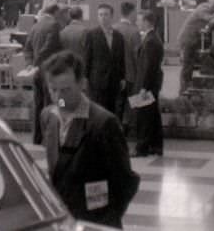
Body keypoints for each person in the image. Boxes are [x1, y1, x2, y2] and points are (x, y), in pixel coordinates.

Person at [40, 51, 140, 228]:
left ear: (82, 84)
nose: (58, 98)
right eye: (52, 89)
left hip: (95, 222)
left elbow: (125, 181)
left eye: (65, 90)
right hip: (64, 220)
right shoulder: (48, 116)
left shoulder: (104, 123)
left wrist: (105, 218)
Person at [22, 3, 63, 144]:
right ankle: (49, 137)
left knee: (38, 103)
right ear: (55, 12)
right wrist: (38, 62)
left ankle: (37, 137)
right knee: (50, 103)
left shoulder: (35, 26)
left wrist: (30, 64)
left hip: (36, 71)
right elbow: (49, 47)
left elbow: (27, 48)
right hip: (48, 69)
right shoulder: (54, 25)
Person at [176, 0, 214, 92]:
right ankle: (183, 91)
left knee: (190, 65)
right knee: (187, 65)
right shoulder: (202, 8)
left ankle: (188, 87)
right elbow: (210, 19)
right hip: (188, 39)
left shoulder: (209, 9)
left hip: (194, 39)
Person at [84, 4, 126, 114]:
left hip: (114, 80)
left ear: (111, 16)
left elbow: (121, 59)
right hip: (97, 80)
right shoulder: (91, 35)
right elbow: (87, 58)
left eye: (106, 14)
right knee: (98, 110)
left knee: (112, 110)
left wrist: (122, 77)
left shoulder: (119, 37)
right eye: (100, 15)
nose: (103, 17)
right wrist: (85, 78)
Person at [133, 10, 164, 157]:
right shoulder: (153, 38)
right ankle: (156, 145)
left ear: (146, 22)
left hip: (146, 85)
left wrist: (143, 88)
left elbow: (149, 66)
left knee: (143, 115)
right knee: (152, 114)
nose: (137, 23)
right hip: (152, 84)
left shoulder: (150, 41)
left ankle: (142, 147)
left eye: (139, 20)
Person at [113, 1, 141, 129]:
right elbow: (137, 55)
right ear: (131, 13)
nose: (136, 15)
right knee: (133, 103)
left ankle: (117, 127)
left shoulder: (113, 29)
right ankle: (130, 127)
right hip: (130, 73)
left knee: (117, 103)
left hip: (115, 74)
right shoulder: (134, 32)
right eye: (135, 12)